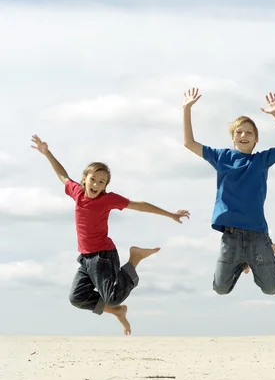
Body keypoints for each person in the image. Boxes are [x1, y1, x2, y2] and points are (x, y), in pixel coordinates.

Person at [31, 135, 190, 335]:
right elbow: (62, 175)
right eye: (93, 180)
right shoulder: (77, 193)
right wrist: (47, 153)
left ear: (106, 185)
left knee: (113, 295)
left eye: (101, 182)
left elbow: (139, 205)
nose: (96, 185)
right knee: (77, 298)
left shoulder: (107, 200)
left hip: (103, 256)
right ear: (84, 179)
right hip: (86, 259)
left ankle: (135, 258)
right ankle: (117, 312)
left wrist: (170, 214)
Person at [182, 88, 275, 296]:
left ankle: (258, 256)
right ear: (233, 138)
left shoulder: (261, 160)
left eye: (249, 132)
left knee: (272, 289)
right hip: (231, 236)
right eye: (239, 132)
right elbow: (189, 143)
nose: (244, 135)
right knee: (220, 288)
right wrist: (186, 109)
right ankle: (243, 261)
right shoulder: (221, 157)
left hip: (257, 235)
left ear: (256, 139)